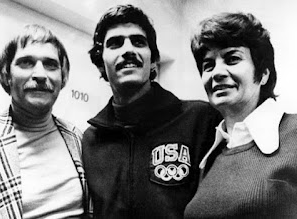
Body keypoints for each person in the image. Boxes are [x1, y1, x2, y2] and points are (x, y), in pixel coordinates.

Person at [82, 4, 221, 219]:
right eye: (115, 43)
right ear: (101, 63)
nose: (128, 50)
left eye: (138, 42)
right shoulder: (91, 140)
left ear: (153, 59)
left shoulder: (200, 119)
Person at [184, 12, 297, 218]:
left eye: (232, 58)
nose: (217, 72)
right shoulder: (208, 157)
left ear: (263, 74)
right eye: (208, 65)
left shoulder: (294, 133)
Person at [0, 24, 91, 219]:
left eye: (51, 65)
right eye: (26, 62)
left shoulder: (78, 138)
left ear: (62, 78)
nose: (40, 74)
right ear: (7, 75)